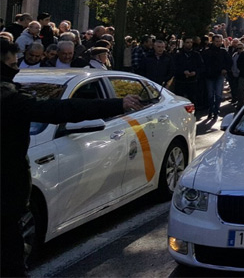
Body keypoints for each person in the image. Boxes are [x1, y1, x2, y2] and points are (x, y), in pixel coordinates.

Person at [1, 41, 142, 277]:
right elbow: (62, 109)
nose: (16, 71)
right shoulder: (11, 100)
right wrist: (117, 103)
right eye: (12, 65)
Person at [201, 34, 230, 119]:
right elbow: (203, 64)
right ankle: (211, 109)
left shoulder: (223, 51)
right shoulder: (207, 52)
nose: (218, 43)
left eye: (220, 41)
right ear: (213, 41)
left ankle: (216, 110)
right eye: (216, 41)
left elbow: (229, 62)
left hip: (219, 75)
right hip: (209, 76)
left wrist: (225, 69)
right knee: (210, 94)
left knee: (218, 94)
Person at [173, 37, 203, 102]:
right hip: (180, 81)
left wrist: (195, 72)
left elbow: (201, 66)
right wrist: (183, 72)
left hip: (192, 81)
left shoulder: (196, 54)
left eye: (191, 42)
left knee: (192, 100)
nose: (189, 44)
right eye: (187, 42)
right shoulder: (178, 54)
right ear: (184, 43)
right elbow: (174, 66)